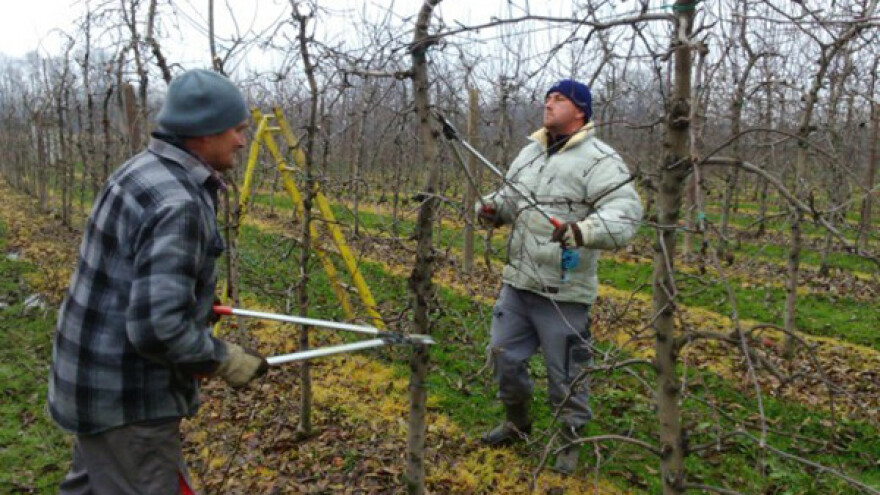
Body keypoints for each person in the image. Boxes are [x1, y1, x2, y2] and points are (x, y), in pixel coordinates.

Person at [48, 69, 268, 494]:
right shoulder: (179, 203)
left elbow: (135, 276)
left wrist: (196, 303)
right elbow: (157, 328)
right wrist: (224, 359)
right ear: (203, 133)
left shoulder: (140, 170)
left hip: (90, 379)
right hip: (128, 400)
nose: (242, 141)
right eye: (236, 130)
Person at [477, 79, 643, 474]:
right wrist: (491, 209)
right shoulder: (531, 152)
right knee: (503, 357)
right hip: (518, 282)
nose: (548, 105)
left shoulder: (600, 160)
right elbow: (511, 197)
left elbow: (625, 213)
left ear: (580, 110)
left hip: (564, 291)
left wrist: (582, 230)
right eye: (547, 98)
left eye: (559, 99)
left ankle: (571, 441)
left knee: (566, 373)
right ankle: (517, 423)